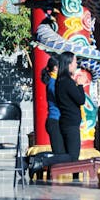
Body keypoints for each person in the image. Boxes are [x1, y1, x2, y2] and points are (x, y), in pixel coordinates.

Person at [28, 51, 87, 180]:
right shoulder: (57, 82)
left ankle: (36, 160)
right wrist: (80, 85)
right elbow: (79, 99)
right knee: (70, 156)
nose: (76, 64)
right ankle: (38, 161)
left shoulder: (58, 81)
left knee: (63, 154)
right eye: (75, 62)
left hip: (63, 120)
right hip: (60, 120)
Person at [40, 55, 66, 153]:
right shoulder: (52, 83)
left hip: (57, 120)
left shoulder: (55, 81)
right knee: (59, 154)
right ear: (55, 68)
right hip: (55, 120)